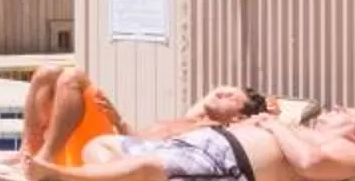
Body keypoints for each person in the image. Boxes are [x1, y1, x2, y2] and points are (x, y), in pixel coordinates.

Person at [20, 104, 355, 181]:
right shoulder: (304, 131)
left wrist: (274, 126)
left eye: (345, 111)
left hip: (229, 168)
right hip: (213, 149)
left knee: (143, 167)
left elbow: (310, 165)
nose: (335, 107)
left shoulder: (345, 151)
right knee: (109, 150)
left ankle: (56, 173)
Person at [17, 67, 261, 168]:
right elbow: (209, 98)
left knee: (72, 77)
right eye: (223, 89)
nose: (222, 92)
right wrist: (119, 121)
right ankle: (29, 151)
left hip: (107, 157)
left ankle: (45, 159)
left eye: (231, 97)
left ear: (239, 118)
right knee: (47, 73)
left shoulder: (217, 135)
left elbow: (151, 153)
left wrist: (262, 113)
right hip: (112, 142)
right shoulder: (194, 119)